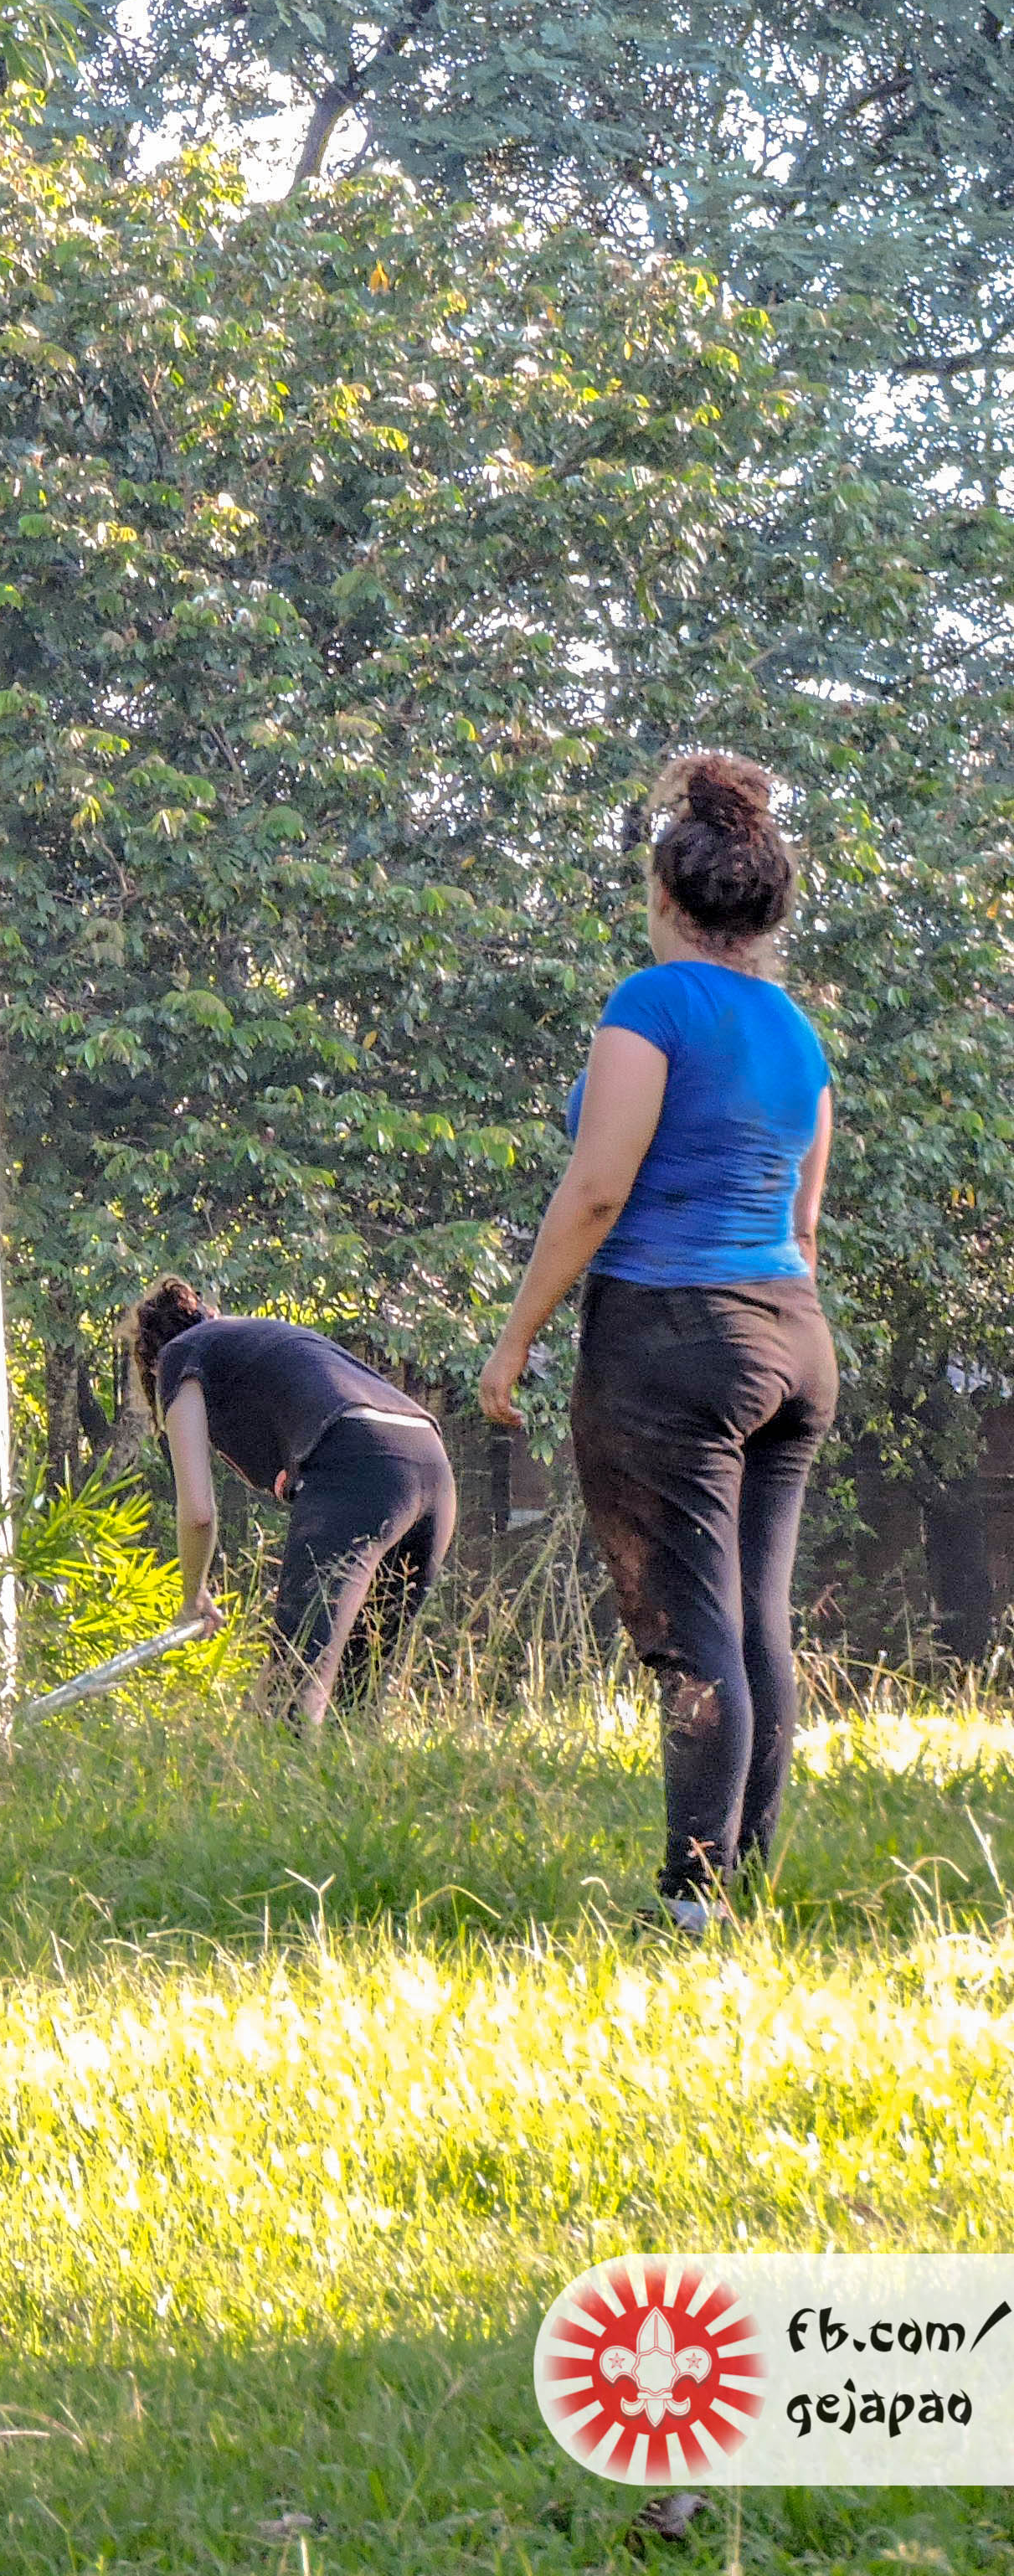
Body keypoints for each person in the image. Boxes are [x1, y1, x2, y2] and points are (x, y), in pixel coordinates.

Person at [480, 751, 833, 1936]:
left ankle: (690, 1909)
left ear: (666, 894)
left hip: (673, 1336)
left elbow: (597, 1189)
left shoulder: (653, 1004)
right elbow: (803, 1225)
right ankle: (744, 1891)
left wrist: (515, 1339)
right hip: (793, 1341)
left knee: (692, 1634)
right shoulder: (797, 1032)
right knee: (755, 1622)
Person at [131, 1279, 456, 1729]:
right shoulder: (259, 1340)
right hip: (432, 1465)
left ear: (151, 1363)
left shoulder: (179, 1356)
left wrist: (193, 1597)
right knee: (353, 1707)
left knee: (289, 1698)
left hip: (358, 1460)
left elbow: (199, 1513)